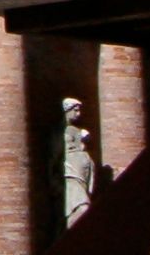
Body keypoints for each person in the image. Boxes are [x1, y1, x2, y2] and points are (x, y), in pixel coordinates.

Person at [62, 96, 95, 226]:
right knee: (81, 208)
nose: (78, 114)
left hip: (80, 173)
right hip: (69, 174)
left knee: (83, 207)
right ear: (67, 110)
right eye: (75, 110)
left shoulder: (77, 131)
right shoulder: (59, 131)